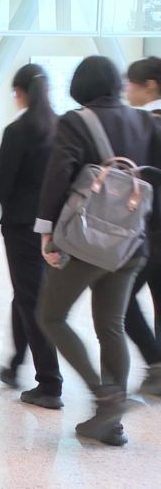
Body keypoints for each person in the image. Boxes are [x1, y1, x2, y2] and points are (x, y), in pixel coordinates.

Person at [35, 55, 161, 446]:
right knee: (112, 326)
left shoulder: (75, 121)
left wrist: (46, 230)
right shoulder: (146, 122)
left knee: (51, 316)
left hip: (87, 241)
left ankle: (105, 398)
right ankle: (112, 425)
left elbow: (58, 174)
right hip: (132, 243)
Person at [0, 64, 63, 409]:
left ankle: (50, 383)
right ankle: (14, 364)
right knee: (26, 294)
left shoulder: (18, 131)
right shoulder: (61, 127)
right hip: (55, 228)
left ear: (20, 93)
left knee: (30, 299)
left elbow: (0, 183)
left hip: (22, 227)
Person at [121, 56, 161, 396]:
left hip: (152, 230)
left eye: (130, 84)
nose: (126, 90)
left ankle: (155, 361)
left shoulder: (146, 124)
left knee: (120, 298)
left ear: (150, 86)